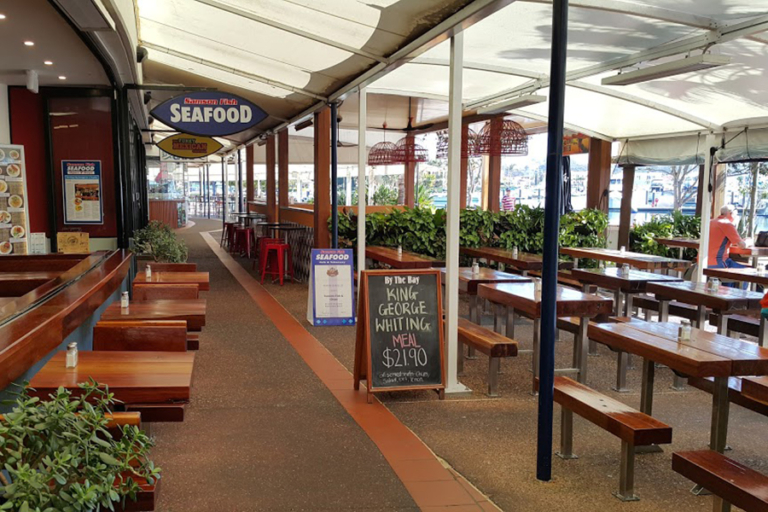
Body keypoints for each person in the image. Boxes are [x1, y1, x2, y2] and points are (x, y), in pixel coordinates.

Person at [708, 204, 749, 269]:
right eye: (736, 213)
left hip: (703, 262)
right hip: (718, 263)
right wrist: (749, 241)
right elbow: (742, 245)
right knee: (749, 273)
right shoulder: (727, 224)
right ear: (731, 213)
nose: (737, 215)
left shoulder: (711, 222)